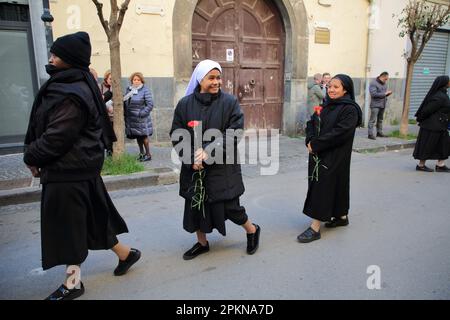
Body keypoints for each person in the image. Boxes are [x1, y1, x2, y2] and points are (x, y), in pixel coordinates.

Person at [23, 32, 141, 300]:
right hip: (79, 169)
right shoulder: (75, 83)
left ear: (70, 59)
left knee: (69, 229)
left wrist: (32, 155)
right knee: (93, 220)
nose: (51, 57)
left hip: (69, 172)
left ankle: (73, 284)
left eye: (56, 54)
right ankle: (127, 254)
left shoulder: (71, 92)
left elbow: (57, 137)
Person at [170, 59, 261, 260]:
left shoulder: (229, 103)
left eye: (218, 77)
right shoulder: (185, 104)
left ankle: (252, 230)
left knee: (231, 207)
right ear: (200, 79)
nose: (216, 82)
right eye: (211, 78)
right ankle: (202, 243)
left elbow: (234, 132)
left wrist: (210, 152)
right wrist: (191, 157)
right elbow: (177, 133)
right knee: (196, 206)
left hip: (222, 167)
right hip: (194, 167)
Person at [298, 74, 362, 243]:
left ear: (345, 89)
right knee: (337, 185)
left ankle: (315, 227)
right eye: (330, 86)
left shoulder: (350, 109)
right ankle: (341, 216)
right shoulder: (326, 105)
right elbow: (311, 123)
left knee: (323, 187)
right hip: (319, 152)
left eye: (336, 87)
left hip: (335, 155)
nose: (331, 90)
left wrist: (317, 144)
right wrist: (310, 141)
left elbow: (340, 134)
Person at [413, 75, 450, 173]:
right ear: (444, 83)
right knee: (427, 145)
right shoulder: (439, 96)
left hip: (441, 126)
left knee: (443, 145)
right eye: (449, 81)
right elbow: (427, 110)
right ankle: (421, 165)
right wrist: (420, 119)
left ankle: (440, 165)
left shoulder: (443, 94)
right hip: (432, 126)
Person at [124, 72, 154, 162]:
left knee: (144, 136)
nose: (136, 81)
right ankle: (141, 153)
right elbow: (125, 101)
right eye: (134, 79)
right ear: (132, 80)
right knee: (138, 136)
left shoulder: (145, 90)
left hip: (141, 118)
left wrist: (141, 113)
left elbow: (150, 104)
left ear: (141, 81)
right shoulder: (129, 90)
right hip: (132, 118)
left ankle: (148, 154)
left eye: (138, 80)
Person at [368, 72, 392, 140]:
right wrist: (385, 94)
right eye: (385, 79)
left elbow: (383, 94)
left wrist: (387, 94)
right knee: (372, 120)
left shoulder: (384, 84)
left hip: (382, 104)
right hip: (375, 105)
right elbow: (373, 94)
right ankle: (370, 134)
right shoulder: (373, 83)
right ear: (382, 76)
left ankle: (379, 132)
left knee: (380, 120)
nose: (386, 80)